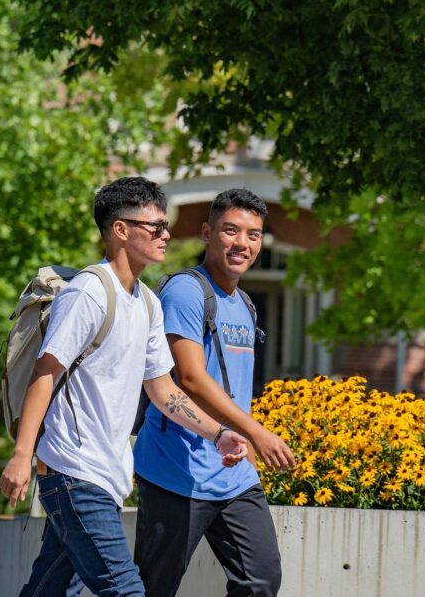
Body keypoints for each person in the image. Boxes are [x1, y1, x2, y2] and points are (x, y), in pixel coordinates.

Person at [0, 176, 249, 597]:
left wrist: (218, 433)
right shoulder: (89, 292)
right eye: (155, 227)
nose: (166, 235)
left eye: (165, 226)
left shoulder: (148, 303)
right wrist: (22, 455)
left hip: (106, 476)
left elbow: (165, 392)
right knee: (126, 590)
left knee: (50, 589)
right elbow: (46, 372)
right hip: (73, 472)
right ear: (120, 230)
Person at [133, 188, 296, 597]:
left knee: (260, 581)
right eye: (231, 230)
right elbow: (188, 377)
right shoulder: (186, 291)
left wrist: (244, 437)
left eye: (254, 235)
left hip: (233, 475)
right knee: (154, 588)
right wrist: (256, 431)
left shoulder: (243, 302)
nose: (243, 243)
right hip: (176, 472)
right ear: (207, 233)